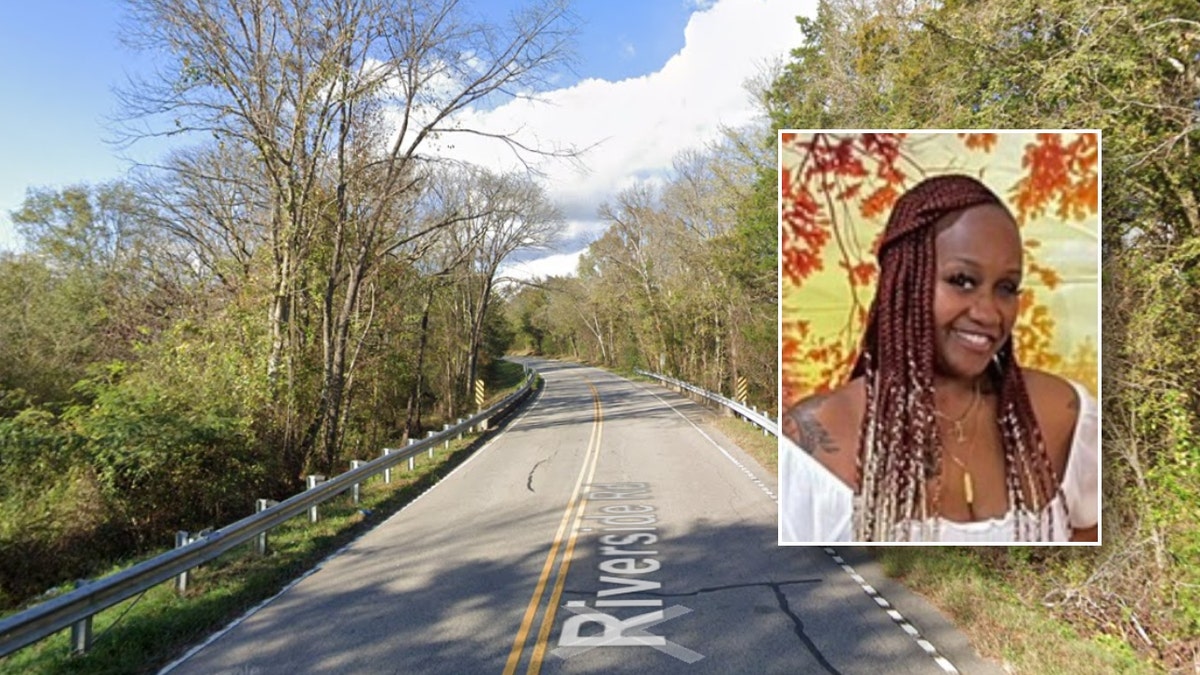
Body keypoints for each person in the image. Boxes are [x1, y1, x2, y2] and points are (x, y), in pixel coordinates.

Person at [779, 174, 1098, 543]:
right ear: (904, 281)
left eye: (1007, 287)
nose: (989, 313)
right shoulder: (814, 440)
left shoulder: (1063, 413)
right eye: (962, 280)